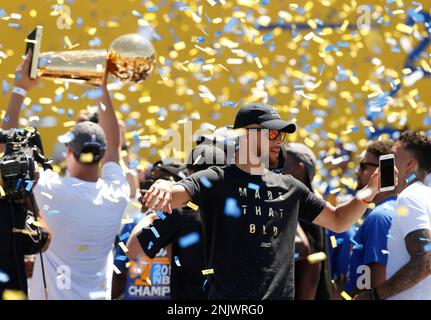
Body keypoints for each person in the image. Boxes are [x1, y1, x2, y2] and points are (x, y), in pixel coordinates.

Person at [142, 102, 388, 300]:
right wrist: (165, 184)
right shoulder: (216, 179)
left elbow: (338, 220)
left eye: (280, 134)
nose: (279, 140)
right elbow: (180, 192)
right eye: (272, 133)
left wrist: (368, 193)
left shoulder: (290, 186)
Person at [3, 51, 130, 300]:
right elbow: (115, 148)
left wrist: (19, 89)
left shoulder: (51, 188)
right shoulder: (116, 193)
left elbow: (7, 148)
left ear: (69, 151)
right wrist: (101, 87)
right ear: (101, 155)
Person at [127, 144, 228, 299]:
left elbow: (134, 250)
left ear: (191, 175)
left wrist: (155, 212)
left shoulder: (182, 212)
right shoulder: (242, 207)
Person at [354, 130, 431, 300]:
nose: (385, 164)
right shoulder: (425, 196)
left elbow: (426, 260)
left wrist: (373, 296)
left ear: (410, 165)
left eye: (392, 157)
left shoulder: (410, 196)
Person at [280, 142, 332, 300]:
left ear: (299, 169)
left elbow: (312, 263)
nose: (274, 167)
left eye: (282, 161)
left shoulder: (306, 207)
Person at [345, 140, 396, 296]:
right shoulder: (400, 208)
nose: (356, 172)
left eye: (363, 166)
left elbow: (375, 285)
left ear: (381, 171)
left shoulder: (379, 216)